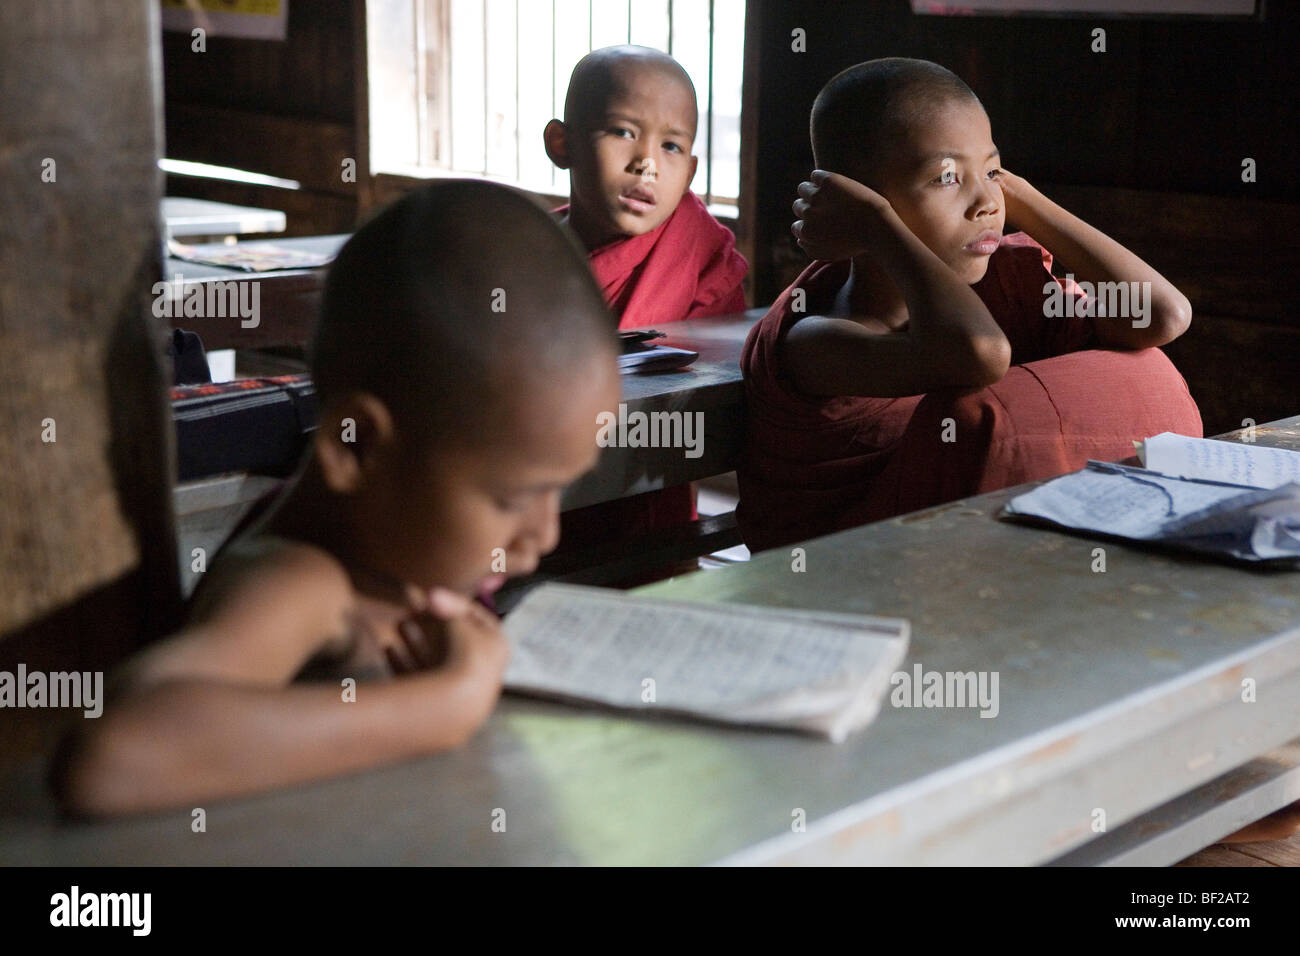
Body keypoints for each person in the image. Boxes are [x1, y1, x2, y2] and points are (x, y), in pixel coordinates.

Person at [54, 180, 621, 816]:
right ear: (356, 450)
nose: (545, 535)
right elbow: (113, 759)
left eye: (557, 490)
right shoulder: (302, 579)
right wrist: (444, 706)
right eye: (515, 497)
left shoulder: (400, 562)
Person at [738, 57, 1201, 553]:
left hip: (977, 559)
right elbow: (978, 354)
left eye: (993, 169)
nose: (987, 202)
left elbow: (1159, 314)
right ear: (851, 198)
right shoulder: (818, 336)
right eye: (945, 178)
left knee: (1143, 368)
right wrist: (876, 225)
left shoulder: (1004, 285)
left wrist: (1018, 194)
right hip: (858, 576)